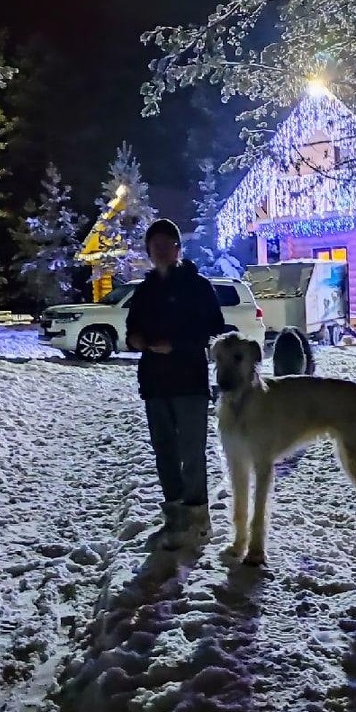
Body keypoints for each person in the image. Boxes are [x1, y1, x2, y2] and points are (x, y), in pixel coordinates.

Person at [125, 219, 226, 543]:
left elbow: (215, 329)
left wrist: (178, 345)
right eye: (155, 247)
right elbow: (131, 329)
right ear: (149, 252)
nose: (162, 251)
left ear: (178, 248)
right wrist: (136, 340)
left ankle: (197, 518)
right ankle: (174, 517)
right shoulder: (145, 291)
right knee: (164, 451)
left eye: (167, 245)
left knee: (192, 451)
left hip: (190, 381)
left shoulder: (197, 287)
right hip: (155, 384)